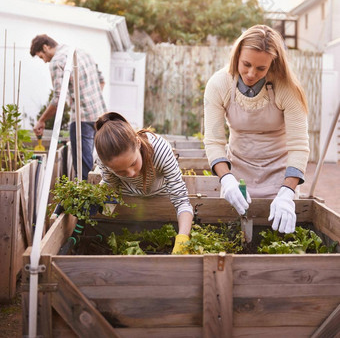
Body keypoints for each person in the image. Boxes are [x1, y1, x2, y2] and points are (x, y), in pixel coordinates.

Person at [203, 24, 309, 234]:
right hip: (238, 175)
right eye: (246, 64)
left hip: (279, 174)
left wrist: (287, 191)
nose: (251, 74)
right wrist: (227, 179)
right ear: (237, 56)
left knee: (277, 236)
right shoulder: (219, 84)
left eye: (261, 68)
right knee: (235, 235)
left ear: (273, 64)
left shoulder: (287, 88)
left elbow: (299, 147)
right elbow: (214, 141)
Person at [94, 112, 193, 254]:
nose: (131, 173)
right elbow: (111, 186)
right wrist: (101, 207)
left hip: (162, 196)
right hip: (128, 198)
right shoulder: (103, 160)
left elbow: (181, 199)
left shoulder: (160, 150)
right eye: (121, 171)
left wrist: (183, 237)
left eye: (133, 163)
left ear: (138, 143)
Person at [30, 34, 107, 180]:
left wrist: (41, 120)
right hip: (101, 115)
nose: (45, 61)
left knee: (83, 170)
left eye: (42, 57)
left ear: (46, 47)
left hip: (81, 119)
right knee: (105, 162)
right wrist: (89, 98)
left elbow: (59, 99)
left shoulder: (57, 62)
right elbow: (101, 81)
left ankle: (87, 201)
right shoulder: (83, 53)